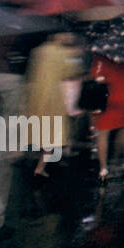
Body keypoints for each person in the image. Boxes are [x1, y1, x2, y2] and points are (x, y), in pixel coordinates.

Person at [23, 32, 81, 178]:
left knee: (38, 129)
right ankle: (40, 168)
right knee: (51, 135)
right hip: (54, 97)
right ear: (57, 36)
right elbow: (70, 73)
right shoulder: (64, 53)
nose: (69, 37)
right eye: (66, 35)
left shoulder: (37, 51)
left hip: (36, 96)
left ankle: (33, 159)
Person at [89, 54, 124, 181]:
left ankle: (103, 169)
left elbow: (95, 75)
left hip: (106, 97)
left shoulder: (101, 54)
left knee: (103, 132)